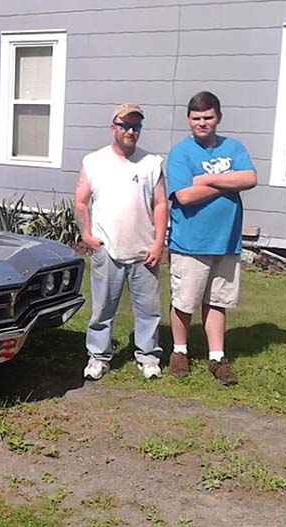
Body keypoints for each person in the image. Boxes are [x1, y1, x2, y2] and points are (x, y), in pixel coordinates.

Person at [166, 91, 257, 385]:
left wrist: (205, 179)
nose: (202, 123)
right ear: (188, 119)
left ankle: (216, 357)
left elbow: (250, 178)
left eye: (208, 117)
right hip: (190, 241)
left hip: (226, 241)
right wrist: (228, 182)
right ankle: (179, 351)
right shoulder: (181, 153)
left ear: (218, 116)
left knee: (217, 300)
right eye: (196, 118)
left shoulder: (234, 146)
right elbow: (184, 195)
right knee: (184, 300)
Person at [74, 104, 168, 381]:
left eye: (135, 126)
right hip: (107, 250)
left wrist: (158, 243)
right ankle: (98, 357)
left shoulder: (152, 163)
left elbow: (161, 204)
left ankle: (149, 357)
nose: (130, 131)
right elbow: (80, 201)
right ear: (112, 127)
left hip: (144, 250)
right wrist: (86, 235)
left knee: (149, 310)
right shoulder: (94, 161)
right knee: (102, 309)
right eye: (124, 125)